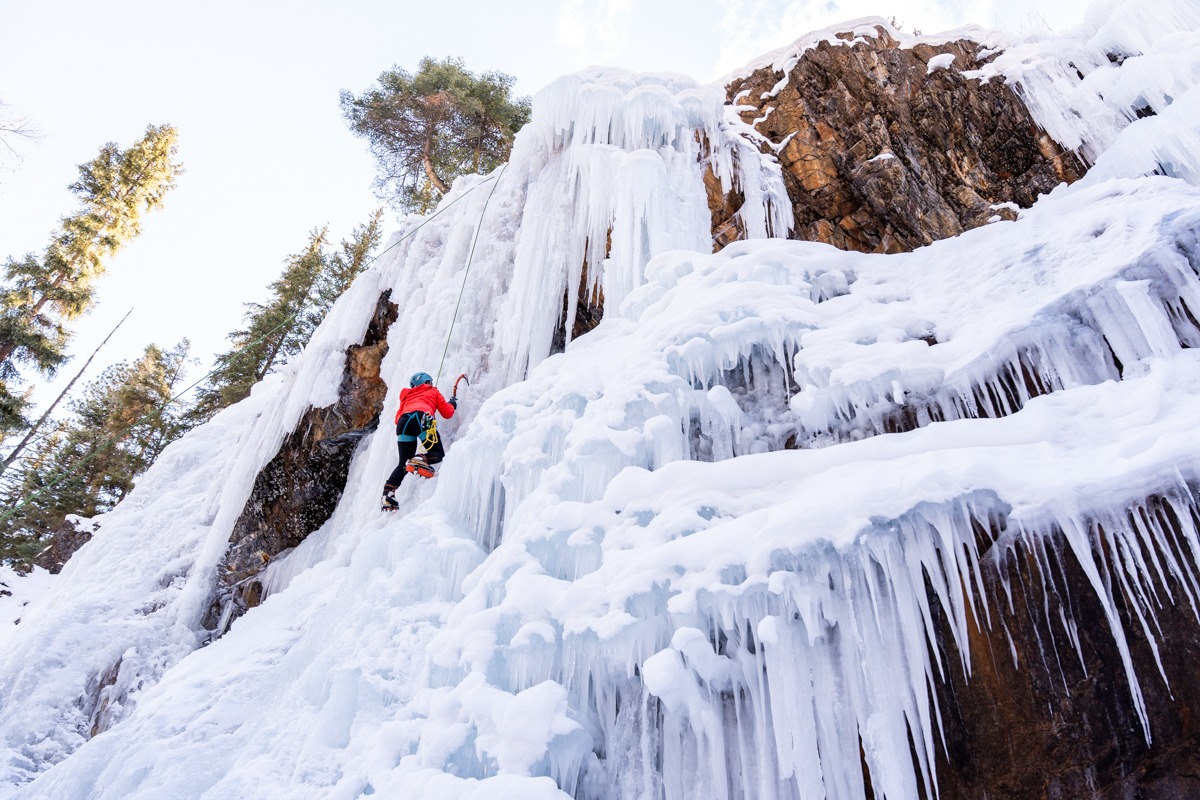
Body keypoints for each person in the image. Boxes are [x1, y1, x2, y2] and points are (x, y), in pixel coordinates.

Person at [381, 371, 457, 511]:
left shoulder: (406, 396)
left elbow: (397, 418)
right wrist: (452, 404)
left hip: (403, 423)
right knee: (437, 453)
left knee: (403, 463)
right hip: (421, 418)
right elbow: (447, 413)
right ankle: (420, 459)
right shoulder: (432, 391)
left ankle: (388, 494)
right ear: (427, 382)